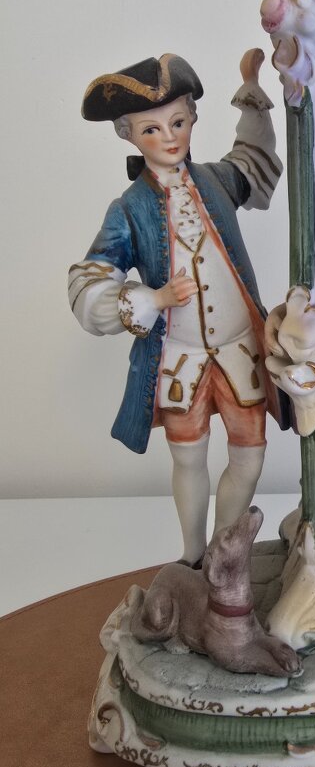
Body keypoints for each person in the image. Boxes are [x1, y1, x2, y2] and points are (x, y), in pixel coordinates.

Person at [69, 49, 289, 566]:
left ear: (192, 117)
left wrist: (252, 94)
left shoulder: (216, 180)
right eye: (152, 129)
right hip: (180, 360)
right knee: (189, 460)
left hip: (239, 351)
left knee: (250, 456)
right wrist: (151, 299)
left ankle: (224, 554)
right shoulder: (129, 209)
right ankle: (192, 559)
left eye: (178, 122)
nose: (169, 137)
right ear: (128, 135)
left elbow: (253, 159)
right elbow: (88, 281)